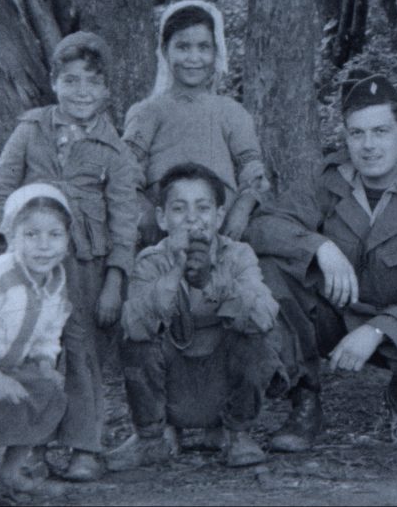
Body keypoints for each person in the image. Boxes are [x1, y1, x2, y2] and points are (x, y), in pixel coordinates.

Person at [243, 70, 397, 450]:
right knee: (272, 271)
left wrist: (378, 330)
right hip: (337, 315)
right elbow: (263, 226)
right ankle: (305, 403)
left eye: (380, 131)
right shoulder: (328, 180)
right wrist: (319, 246)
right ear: (346, 136)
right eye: (357, 133)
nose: (368, 146)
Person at [0, 31, 141, 479]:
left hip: (87, 264)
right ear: (53, 83)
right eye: (70, 80)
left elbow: (125, 223)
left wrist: (115, 279)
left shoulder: (117, 152)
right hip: (32, 260)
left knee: (81, 350)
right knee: (31, 348)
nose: (81, 91)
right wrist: (11, 246)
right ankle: (27, 444)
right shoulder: (31, 131)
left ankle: (84, 446)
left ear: (107, 89)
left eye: (92, 81)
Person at [104, 163, 287, 470]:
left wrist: (212, 282)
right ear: (162, 218)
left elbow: (264, 316)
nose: (191, 219)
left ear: (218, 217)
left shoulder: (238, 255)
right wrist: (175, 271)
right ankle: (151, 437)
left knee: (260, 336)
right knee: (132, 332)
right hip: (174, 383)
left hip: (222, 378)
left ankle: (237, 433)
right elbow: (134, 326)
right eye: (179, 209)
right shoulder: (150, 260)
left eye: (203, 208)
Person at [122, 0, 270, 246]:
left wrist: (242, 208)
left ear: (216, 52)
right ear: (165, 49)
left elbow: (252, 170)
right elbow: (126, 168)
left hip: (220, 225)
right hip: (164, 226)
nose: (193, 58)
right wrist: (144, 210)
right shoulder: (148, 111)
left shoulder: (231, 112)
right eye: (182, 47)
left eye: (203, 47)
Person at [0, 184, 75, 499]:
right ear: (11, 235)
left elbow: (49, 332)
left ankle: (12, 471)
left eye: (54, 235)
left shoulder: (56, 282)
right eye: (31, 235)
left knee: (47, 392)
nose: (44, 246)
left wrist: (46, 363)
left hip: (8, 369)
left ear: (67, 238)